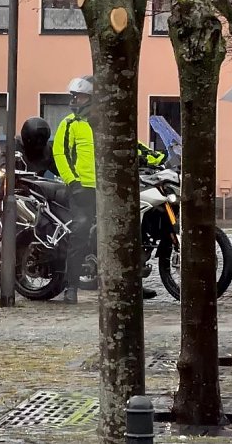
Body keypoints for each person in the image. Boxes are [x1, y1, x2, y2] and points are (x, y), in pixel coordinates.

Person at [53, 76, 157, 302]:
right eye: (74, 96)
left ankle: (132, 285)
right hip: (83, 188)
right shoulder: (69, 124)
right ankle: (71, 287)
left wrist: (154, 156)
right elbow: (60, 154)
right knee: (80, 231)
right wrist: (73, 181)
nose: (75, 101)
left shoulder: (108, 124)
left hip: (109, 189)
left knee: (126, 234)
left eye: (79, 97)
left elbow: (131, 144)